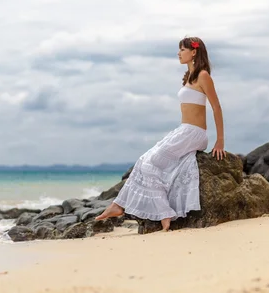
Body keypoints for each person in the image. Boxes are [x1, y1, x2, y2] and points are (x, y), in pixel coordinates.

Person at [95, 36, 225, 231]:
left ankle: (165, 213)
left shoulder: (203, 76)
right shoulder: (188, 77)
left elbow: (216, 107)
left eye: (182, 49)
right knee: (143, 160)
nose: (178, 53)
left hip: (194, 133)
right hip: (183, 130)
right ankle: (118, 205)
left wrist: (220, 141)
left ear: (194, 52)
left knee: (153, 162)